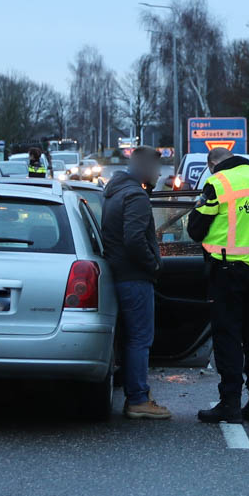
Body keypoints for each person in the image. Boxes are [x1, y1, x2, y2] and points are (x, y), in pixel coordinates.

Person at [186, 146, 249, 424]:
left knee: (228, 337)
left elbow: (195, 229)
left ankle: (229, 404)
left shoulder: (217, 183)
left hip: (227, 272)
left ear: (212, 164)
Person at [101, 146, 169, 419]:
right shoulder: (136, 196)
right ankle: (139, 399)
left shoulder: (114, 191)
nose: (158, 173)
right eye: (155, 168)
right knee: (141, 339)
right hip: (135, 277)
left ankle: (137, 392)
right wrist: (152, 263)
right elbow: (134, 239)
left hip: (120, 273)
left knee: (131, 338)